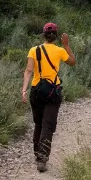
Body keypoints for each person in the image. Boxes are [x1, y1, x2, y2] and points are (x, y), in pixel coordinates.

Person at [21, 22, 76, 172]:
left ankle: (37, 155)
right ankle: (42, 159)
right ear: (56, 36)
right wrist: (66, 45)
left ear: (43, 35)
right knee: (48, 126)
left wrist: (24, 90)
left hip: (36, 91)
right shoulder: (59, 51)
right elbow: (73, 62)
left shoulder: (34, 50)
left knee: (38, 124)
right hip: (53, 91)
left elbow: (28, 71)